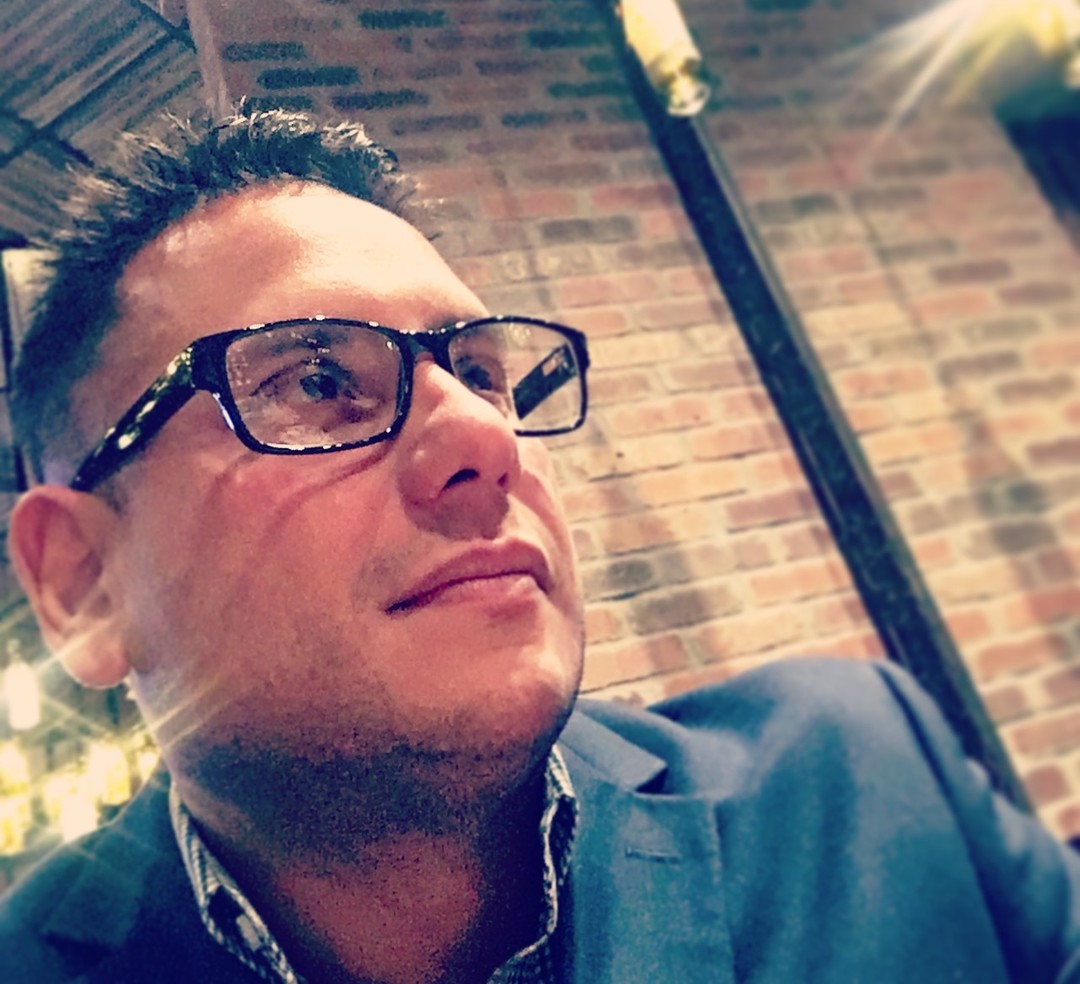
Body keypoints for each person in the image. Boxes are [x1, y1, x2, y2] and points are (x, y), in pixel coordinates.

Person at [0, 107, 1077, 984]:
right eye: (316, 381)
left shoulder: (862, 783)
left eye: (481, 373)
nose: (485, 437)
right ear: (83, 584)